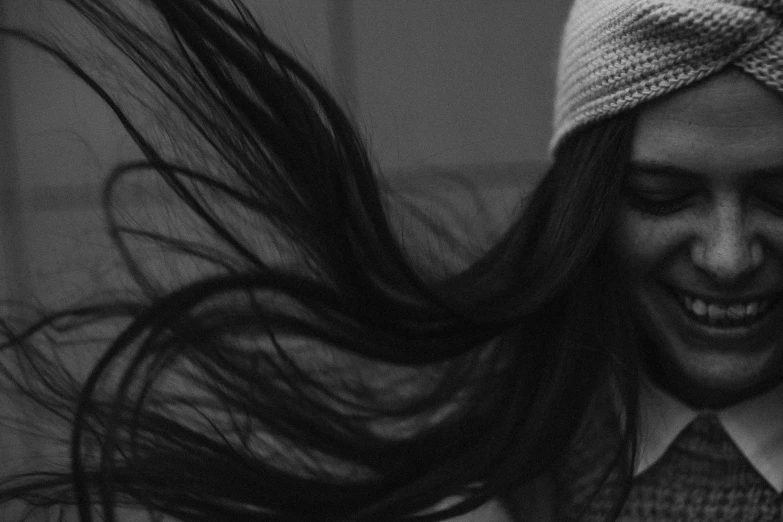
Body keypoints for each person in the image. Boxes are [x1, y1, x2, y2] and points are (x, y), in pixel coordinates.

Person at [1, 0, 783, 521]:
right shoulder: (506, 477)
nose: (727, 255)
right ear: (586, 209)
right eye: (660, 195)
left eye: (779, 195)